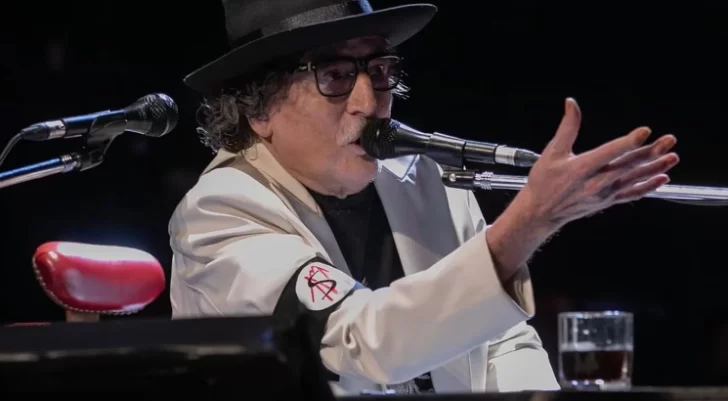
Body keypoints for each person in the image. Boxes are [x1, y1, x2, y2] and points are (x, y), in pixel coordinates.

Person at [168, 0, 679, 396]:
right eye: (336, 76)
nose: (371, 102)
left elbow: (501, 343)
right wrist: (528, 222)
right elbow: (361, 341)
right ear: (258, 110)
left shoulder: (425, 181)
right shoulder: (218, 213)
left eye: (378, 70)